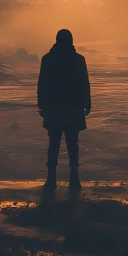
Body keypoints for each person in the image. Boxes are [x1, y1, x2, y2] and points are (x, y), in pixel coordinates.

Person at [37, 29, 91, 192]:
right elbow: (84, 83)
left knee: (54, 143)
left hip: (55, 107)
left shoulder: (48, 59)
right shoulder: (78, 60)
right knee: (72, 143)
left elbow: (42, 84)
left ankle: (52, 179)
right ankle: (73, 180)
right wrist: (87, 103)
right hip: (71, 107)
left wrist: (42, 104)